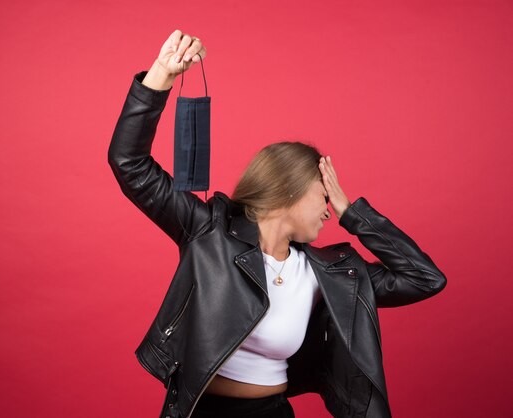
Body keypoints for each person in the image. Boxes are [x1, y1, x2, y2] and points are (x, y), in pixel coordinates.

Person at [108, 29, 446, 418]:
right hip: (201, 411)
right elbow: (129, 164)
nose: (328, 208)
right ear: (290, 189)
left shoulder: (330, 275)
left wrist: (352, 213)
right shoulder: (209, 231)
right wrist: (160, 77)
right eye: (324, 194)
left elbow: (426, 279)